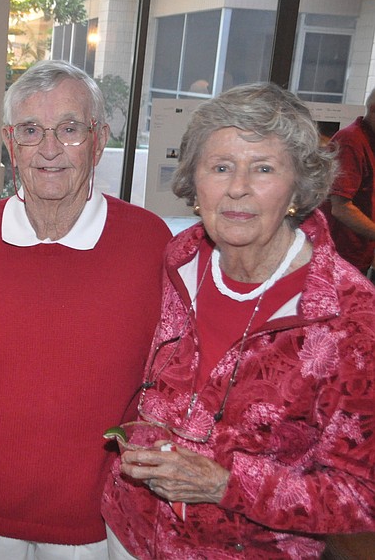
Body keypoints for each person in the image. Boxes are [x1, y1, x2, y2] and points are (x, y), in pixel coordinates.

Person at [102, 83, 375, 558]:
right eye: (221, 167)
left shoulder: (350, 319)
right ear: (195, 182)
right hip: (127, 532)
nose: (237, 188)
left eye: (264, 168)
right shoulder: (181, 258)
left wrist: (226, 484)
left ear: (299, 186)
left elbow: (361, 498)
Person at [0, 60, 171, 559]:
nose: (49, 150)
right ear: (10, 143)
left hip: (104, 521)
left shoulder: (150, 242)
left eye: (69, 129)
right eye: (30, 131)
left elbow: (173, 380)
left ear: (99, 137)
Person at [324, 88, 375, 275]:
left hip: (356, 254)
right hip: (339, 255)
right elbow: (340, 208)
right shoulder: (351, 141)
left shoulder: (368, 140)